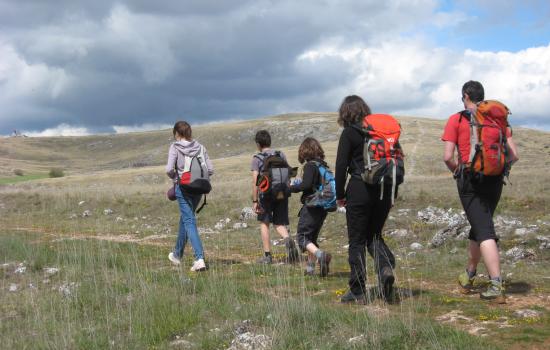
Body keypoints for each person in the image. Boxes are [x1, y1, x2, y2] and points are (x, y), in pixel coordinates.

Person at [442, 80, 519, 303]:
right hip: (494, 181)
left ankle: (496, 284)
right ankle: (469, 275)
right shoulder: (498, 119)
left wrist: (459, 172)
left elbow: (448, 156)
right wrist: (499, 169)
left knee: (485, 231)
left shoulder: (456, 119)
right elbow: (514, 155)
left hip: (470, 181)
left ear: (465, 96)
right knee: (480, 226)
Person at [335, 95, 397, 303]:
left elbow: (341, 167)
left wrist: (340, 195)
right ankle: (385, 266)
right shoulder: (380, 133)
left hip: (359, 189)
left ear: (344, 113)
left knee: (357, 240)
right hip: (385, 189)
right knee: (374, 235)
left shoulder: (349, 133)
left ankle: (358, 289)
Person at [165, 121, 214, 271]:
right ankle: (177, 255)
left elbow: (168, 169)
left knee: (189, 221)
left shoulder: (175, 147)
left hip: (184, 188)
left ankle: (199, 258)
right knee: (186, 219)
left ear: (177, 133)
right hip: (198, 188)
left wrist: (176, 177)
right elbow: (210, 169)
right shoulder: (200, 147)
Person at [251, 130, 299, 264]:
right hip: (282, 193)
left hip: (266, 195)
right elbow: (289, 173)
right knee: (278, 222)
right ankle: (287, 239)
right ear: (269, 142)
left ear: (258, 144)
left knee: (264, 223)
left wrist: (255, 200)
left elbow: (255, 181)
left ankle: (267, 256)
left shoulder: (257, 158)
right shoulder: (280, 154)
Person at [290, 137, 332, 277]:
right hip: (322, 207)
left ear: (304, 151)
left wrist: (291, 188)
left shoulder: (310, 166)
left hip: (312, 206)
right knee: (311, 239)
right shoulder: (322, 165)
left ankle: (321, 256)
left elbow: (306, 185)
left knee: (302, 237)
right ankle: (310, 269)